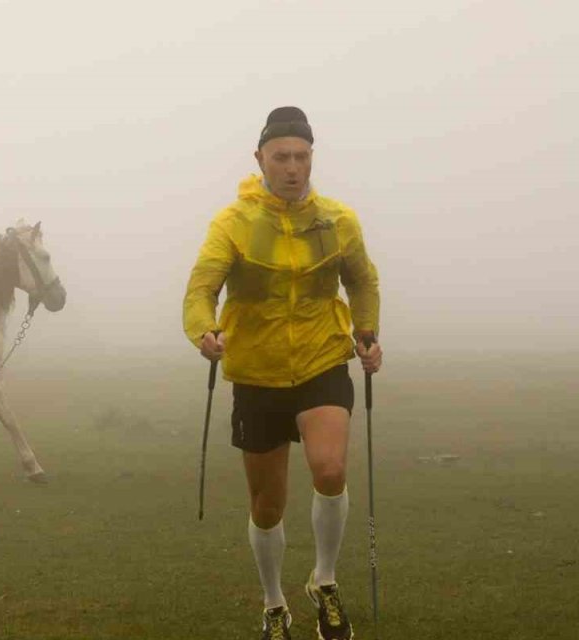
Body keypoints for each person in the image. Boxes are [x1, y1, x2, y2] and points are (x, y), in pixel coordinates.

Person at [182, 106, 382, 640]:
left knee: (330, 470)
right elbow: (202, 288)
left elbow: (362, 281)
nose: (293, 168)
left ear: (312, 157)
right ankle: (274, 603)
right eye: (281, 158)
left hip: (322, 360)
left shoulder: (338, 220)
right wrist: (204, 331)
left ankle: (325, 581)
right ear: (260, 159)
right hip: (257, 373)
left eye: (302, 157)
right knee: (267, 506)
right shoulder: (234, 223)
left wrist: (366, 331)